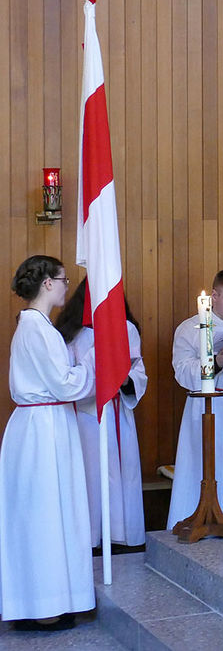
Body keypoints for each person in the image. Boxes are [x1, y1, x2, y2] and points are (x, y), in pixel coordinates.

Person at [0, 256, 96, 631]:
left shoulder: (38, 326)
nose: (67, 285)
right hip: (42, 430)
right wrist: (92, 363)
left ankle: (45, 601)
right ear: (46, 284)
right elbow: (64, 384)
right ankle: (42, 607)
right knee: (44, 515)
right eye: (62, 279)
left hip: (46, 424)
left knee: (49, 513)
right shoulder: (37, 329)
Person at [56, 278, 148, 547]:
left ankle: (122, 536)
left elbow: (137, 369)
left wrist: (125, 380)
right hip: (86, 416)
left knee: (122, 474)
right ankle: (91, 538)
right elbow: (66, 375)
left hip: (118, 412)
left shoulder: (126, 329)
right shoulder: (71, 333)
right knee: (91, 476)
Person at [167, 269, 223, 529]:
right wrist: (213, 363)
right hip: (205, 406)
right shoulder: (190, 328)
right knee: (202, 467)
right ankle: (199, 520)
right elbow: (181, 371)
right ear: (213, 296)